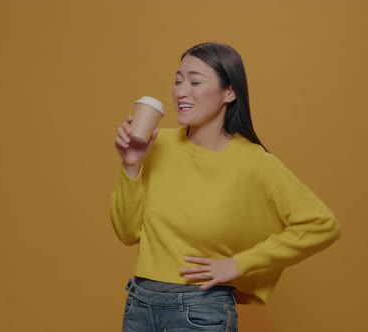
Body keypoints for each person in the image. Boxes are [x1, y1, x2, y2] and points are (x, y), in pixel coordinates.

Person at [111, 42, 341, 332]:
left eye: (195, 81)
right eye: (178, 80)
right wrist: (131, 164)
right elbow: (127, 232)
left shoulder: (253, 162)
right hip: (139, 306)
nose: (182, 91)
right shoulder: (156, 144)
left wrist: (239, 263)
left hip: (201, 312)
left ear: (229, 92)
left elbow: (322, 224)